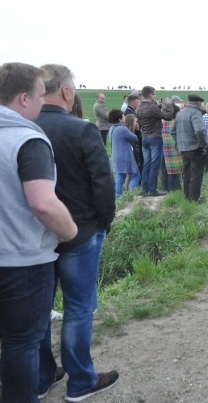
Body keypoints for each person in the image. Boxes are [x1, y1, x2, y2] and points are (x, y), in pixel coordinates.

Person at [35, 64, 119, 402]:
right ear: (67, 92)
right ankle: (81, 381)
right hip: (80, 232)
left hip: (35, 236)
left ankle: (42, 376)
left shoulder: (24, 125)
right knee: (79, 308)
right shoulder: (81, 130)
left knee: (39, 309)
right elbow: (103, 181)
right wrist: (104, 221)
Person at [0, 62, 78, 402]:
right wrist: (69, 231)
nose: (40, 100)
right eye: (37, 94)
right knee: (21, 342)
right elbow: (43, 203)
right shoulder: (27, 138)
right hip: (22, 261)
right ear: (23, 98)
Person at [136, 86, 174, 197]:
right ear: (150, 95)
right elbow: (168, 117)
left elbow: (149, 116)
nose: (155, 96)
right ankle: (152, 190)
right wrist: (168, 105)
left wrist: (157, 106)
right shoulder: (152, 108)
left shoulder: (139, 108)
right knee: (154, 165)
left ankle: (145, 189)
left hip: (145, 138)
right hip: (155, 138)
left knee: (146, 164)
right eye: (154, 94)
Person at [172, 94, 208, 202]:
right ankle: (194, 199)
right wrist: (203, 144)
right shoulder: (195, 112)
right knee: (196, 175)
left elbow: (173, 131)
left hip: (183, 149)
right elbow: (200, 131)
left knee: (187, 174)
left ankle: (187, 196)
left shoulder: (180, 113)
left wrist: (179, 144)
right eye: (201, 103)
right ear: (198, 103)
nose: (202, 105)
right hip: (195, 148)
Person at [109, 109, 141, 199]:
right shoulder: (122, 129)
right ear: (119, 119)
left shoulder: (111, 129)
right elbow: (134, 138)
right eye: (123, 117)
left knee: (119, 177)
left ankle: (118, 198)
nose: (124, 118)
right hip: (125, 157)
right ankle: (131, 195)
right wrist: (137, 130)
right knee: (136, 175)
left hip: (115, 156)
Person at [161, 111, 183, 192]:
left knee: (167, 171)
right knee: (175, 172)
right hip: (175, 148)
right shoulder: (175, 123)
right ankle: (174, 190)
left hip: (164, 148)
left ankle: (167, 189)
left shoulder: (162, 123)